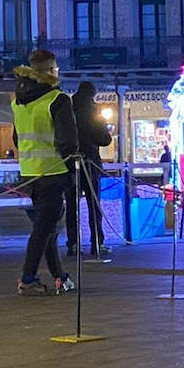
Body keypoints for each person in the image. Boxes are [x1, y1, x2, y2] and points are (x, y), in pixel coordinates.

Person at [12, 49, 79, 296]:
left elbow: (17, 139)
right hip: (53, 171)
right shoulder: (57, 99)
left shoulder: (17, 101)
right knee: (43, 228)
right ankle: (28, 277)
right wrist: (72, 169)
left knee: (47, 226)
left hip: (29, 172)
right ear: (51, 71)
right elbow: (67, 140)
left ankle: (60, 276)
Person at [68, 82, 112, 257]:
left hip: (70, 162)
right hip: (90, 161)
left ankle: (73, 244)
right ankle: (97, 243)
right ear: (93, 94)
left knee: (72, 205)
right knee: (94, 204)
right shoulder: (94, 111)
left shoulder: (68, 108)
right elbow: (104, 139)